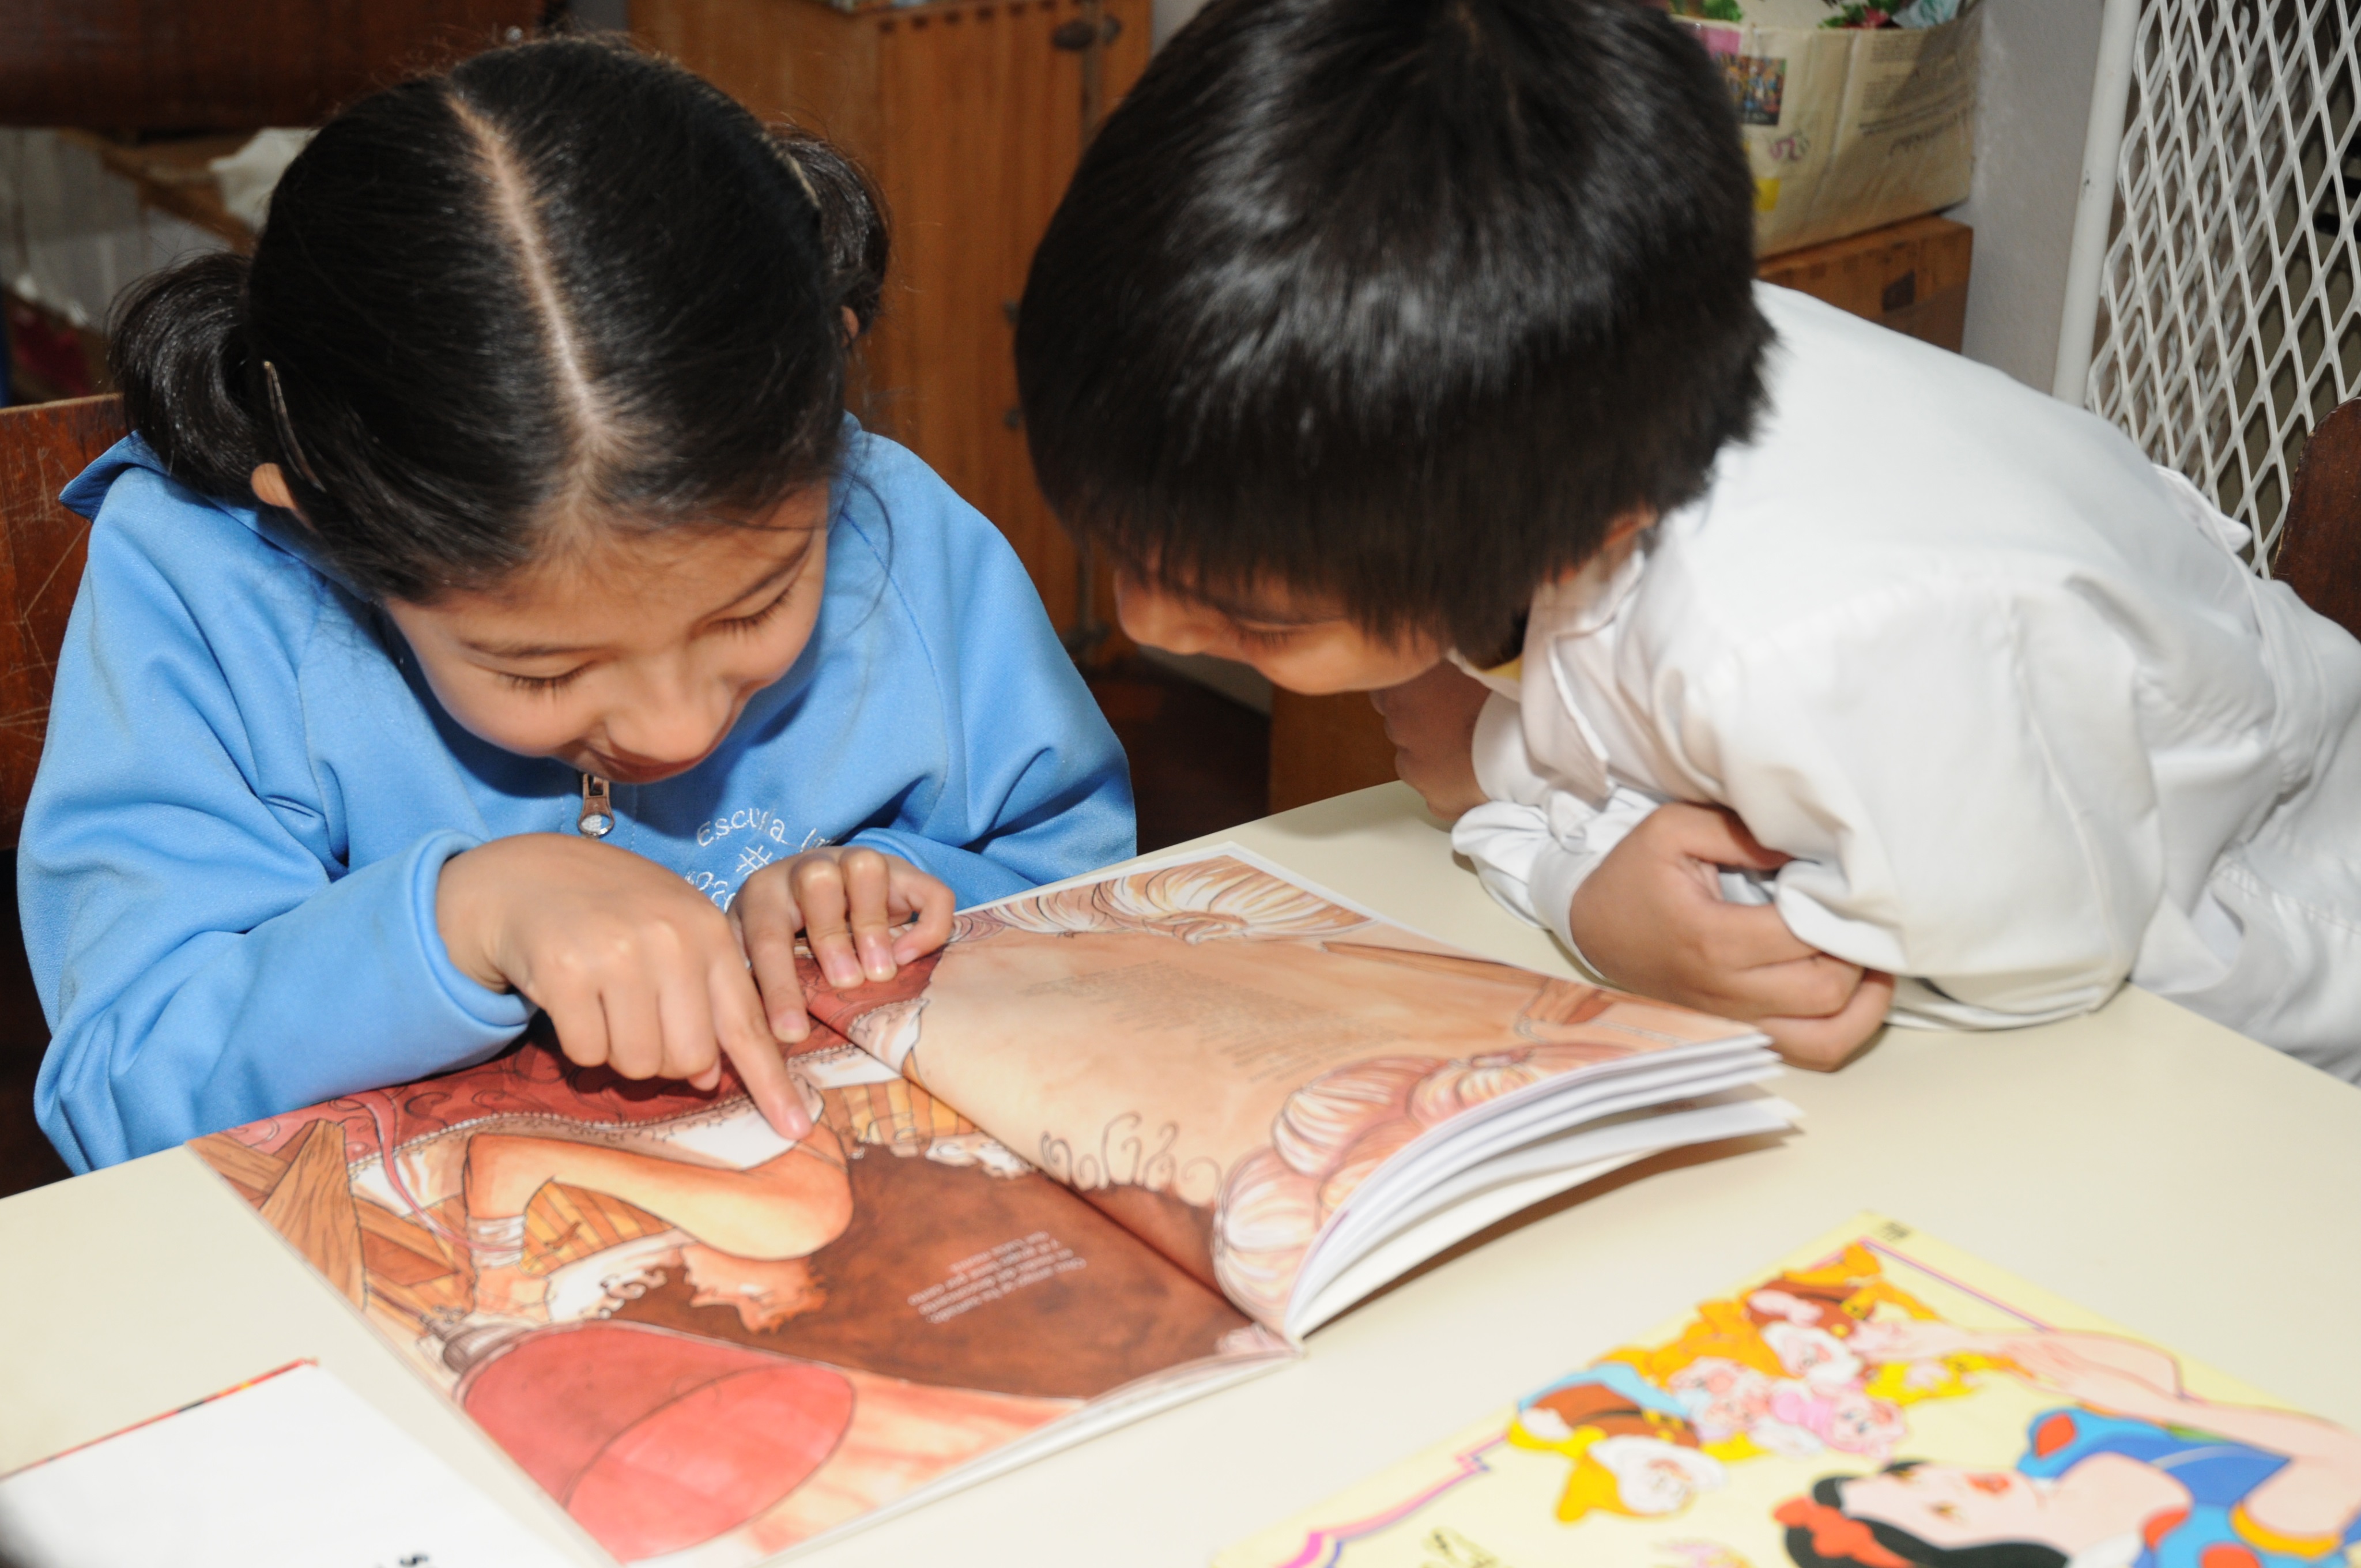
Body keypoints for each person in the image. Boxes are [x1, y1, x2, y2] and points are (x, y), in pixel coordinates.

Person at [1011, 0, 2361, 1077]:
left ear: (1563, 533)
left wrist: (1554, 859)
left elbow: (1994, 976)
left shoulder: (1803, 641)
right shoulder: (1577, 377)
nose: (1146, 628)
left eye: (1253, 619)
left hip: (2243, 1043)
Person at [24, 37, 1133, 1173]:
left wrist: (901, 898)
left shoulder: (894, 526)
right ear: (322, 521)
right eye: (542, 671)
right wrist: (460, 918)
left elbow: (1092, 880)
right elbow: (124, 1086)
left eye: (752, 608)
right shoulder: (217, 588)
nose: (677, 730)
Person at [1776, 1322, 2361, 1568]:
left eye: (1911, 1475)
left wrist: (1974, 1338)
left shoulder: (2054, 1457)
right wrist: (2164, 1409)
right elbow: (2346, 1459)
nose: (1945, 1479)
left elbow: (2145, 1365)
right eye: (1943, 1509)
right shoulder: (2193, 1551)